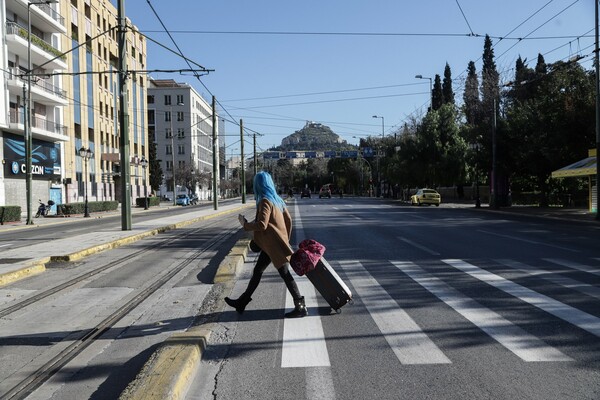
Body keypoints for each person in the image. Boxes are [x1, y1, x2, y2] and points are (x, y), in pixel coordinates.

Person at [225, 171, 307, 318]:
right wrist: (285, 239)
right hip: (272, 245)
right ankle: (242, 302)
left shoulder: (265, 201)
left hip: (273, 247)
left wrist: (246, 225)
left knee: (285, 274)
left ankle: (300, 306)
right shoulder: (277, 200)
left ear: (258, 185)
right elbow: (288, 220)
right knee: (258, 271)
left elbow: (262, 225)